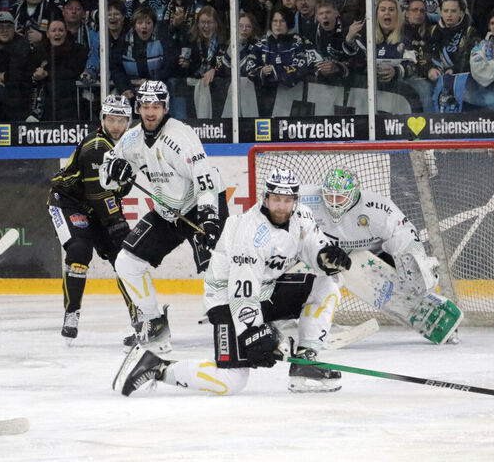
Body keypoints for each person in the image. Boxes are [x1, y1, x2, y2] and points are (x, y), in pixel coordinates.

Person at [112, 168, 352, 396]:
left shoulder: (301, 215)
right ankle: (157, 367)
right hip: (226, 301)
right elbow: (242, 292)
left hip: (265, 291)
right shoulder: (250, 231)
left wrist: (325, 256)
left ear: (295, 200)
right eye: (276, 199)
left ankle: (305, 361)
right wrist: (253, 333)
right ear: (265, 197)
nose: (281, 206)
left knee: (327, 281)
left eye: (287, 200)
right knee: (232, 380)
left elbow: (312, 241)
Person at [99, 80, 228, 353]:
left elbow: (205, 179)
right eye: (145, 106)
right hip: (167, 211)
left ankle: (237, 322)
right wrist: (114, 171)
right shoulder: (132, 139)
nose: (150, 112)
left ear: (165, 107)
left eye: (156, 106)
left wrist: (209, 217)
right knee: (126, 262)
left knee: (216, 267)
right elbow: (106, 175)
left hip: (199, 206)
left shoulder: (181, 136)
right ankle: (154, 323)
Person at [299, 168, 464, 345]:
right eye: (329, 196)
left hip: (372, 256)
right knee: (314, 286)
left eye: (339, 197)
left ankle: (435, 315)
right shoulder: (307, 198)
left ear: (354, 193)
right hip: (324, 256)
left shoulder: (377, 207)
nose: (333, 202)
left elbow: (403, 231)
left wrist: (415, 259)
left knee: (406, 278)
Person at [48, 95, 134, 343]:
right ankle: (71, 312)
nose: (115, 125)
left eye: (121, 120)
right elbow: (98, 193)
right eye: (111, 119)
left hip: (95, 206)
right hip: (67, 203)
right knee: (79, 251)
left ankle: (139, 317)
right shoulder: (96, 146)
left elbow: (116, 190)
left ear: (128, 121)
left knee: (125, 258)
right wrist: (116, 222)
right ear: (102, 119)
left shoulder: (128, 145)